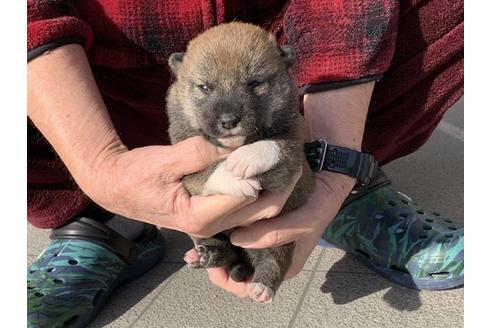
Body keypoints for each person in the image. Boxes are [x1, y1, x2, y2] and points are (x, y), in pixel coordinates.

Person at [27, 0, 464, 327]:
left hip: (301, 64)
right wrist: (99, 163)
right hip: (95, 81)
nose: (230, 112)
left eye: (256, 85)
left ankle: (345, 188)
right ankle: (98, 219)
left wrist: (333, 166)